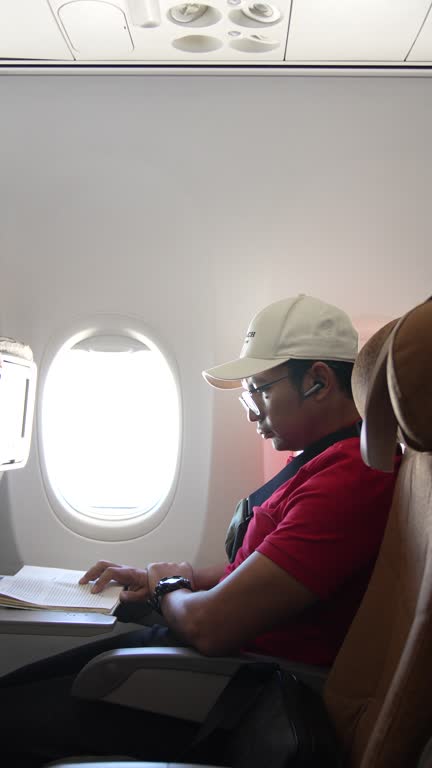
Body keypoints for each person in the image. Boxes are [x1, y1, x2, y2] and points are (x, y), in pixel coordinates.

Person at [0, 294, 401, 767]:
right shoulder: (317, 463)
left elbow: (212, 627)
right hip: (222, 668)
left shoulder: (351, 478)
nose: (252, 411)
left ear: (317, 380)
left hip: (243, 686)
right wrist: (164, 580)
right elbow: (253, 573)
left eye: (260, 391)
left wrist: (170, 585)